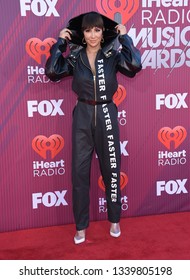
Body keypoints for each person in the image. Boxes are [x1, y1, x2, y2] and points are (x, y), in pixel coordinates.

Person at [45, 11, 142, 244]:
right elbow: (52, 71)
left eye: (97, 30)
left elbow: (135, 64)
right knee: (79, 174)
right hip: (82, 116)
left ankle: (115, 220)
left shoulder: (112, 56)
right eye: (88, 30)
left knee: (111, 170)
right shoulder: (75, 59)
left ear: (103, 32)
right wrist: (61, 43)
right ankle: (80, 227)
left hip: (107, 114)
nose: (92, 35)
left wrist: (125, 38)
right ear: (83, 33)